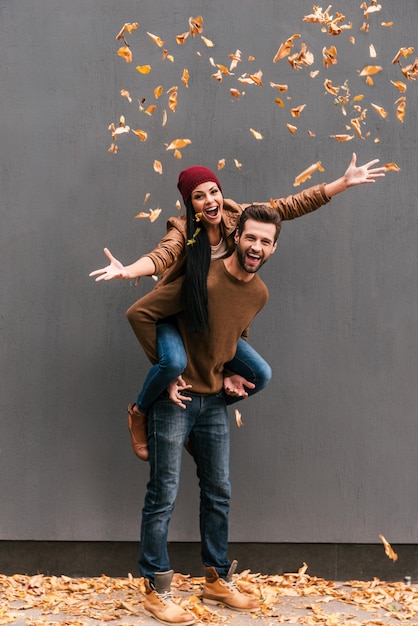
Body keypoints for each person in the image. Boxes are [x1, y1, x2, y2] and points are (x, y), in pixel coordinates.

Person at [90, 154, 386, 460]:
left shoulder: (237, 215)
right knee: (174, 364)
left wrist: (342, 183)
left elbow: (288, 206)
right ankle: (139, 411)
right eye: (199, 196)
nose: (209, 200)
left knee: (260, 374)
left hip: (213, 318)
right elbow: (162, 255)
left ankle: (196, 419)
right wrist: (129, 270)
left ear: (221, 193)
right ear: (189, 204)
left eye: (213, 191)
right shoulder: (182, 230)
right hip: (176, 315)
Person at [129, 204, 281, 625]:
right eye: (251, 237)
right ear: (237, 237)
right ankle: (155, 587)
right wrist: (168, 372)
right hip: (174, 403)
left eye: (266, 241)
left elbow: (230, 334)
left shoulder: (259, 293)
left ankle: (216, 577)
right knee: (163, 495)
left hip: (213, 402)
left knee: (219, 491)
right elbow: (140, 313)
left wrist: (231, 369)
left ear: (273, 249)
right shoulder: (202, 277)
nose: (256, 246)